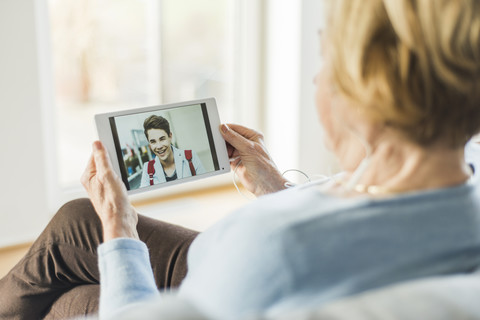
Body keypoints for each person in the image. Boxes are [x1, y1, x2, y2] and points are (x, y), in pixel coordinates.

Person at [1, 0, 480, 319]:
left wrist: (120, 227)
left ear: (370, 97)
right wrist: (275, 188)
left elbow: (292, 255)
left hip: (229, 281)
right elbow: (360, 229)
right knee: (73, 221)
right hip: (224, 267)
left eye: (326, 63)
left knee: (70, 301)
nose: (316, 82)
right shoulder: (464, 181)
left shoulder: (280, 250)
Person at [139, 115, 205, 187]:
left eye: (162, 139)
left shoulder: (190, 157)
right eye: (153, 142)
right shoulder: (148, 169)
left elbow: (206, 186)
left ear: (170, 136)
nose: (159, 146)